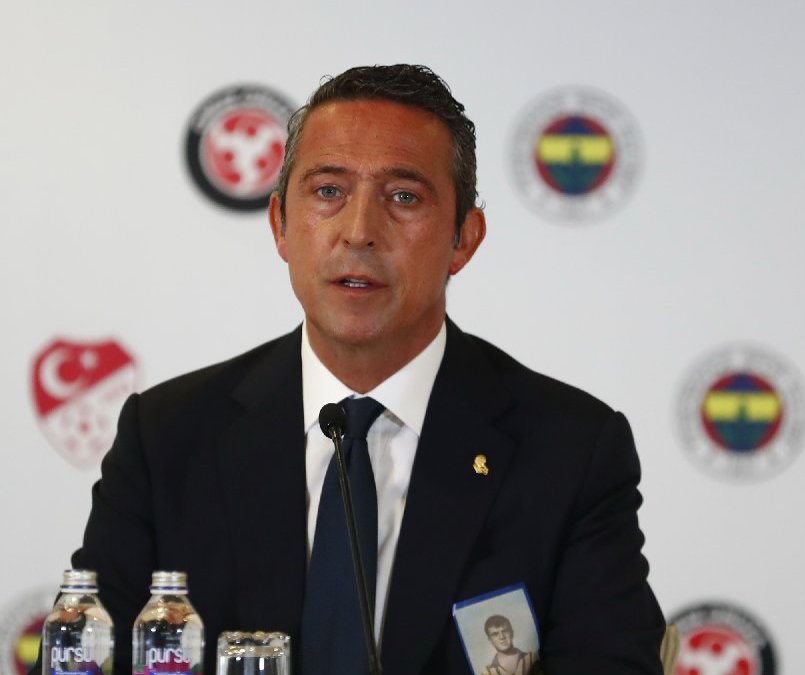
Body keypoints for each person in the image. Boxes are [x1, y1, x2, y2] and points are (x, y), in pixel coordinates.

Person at [32, 64, 664, 675]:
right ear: (280, 224)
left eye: (403, 197)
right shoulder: (168, 437)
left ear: (463, 239)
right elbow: (83, 659)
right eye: (329, 191)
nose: (359, 231)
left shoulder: (569, 450)